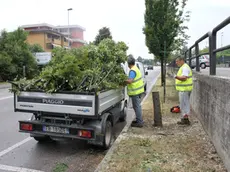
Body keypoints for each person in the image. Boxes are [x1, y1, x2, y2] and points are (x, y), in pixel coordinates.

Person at [125, 55, 145, 128]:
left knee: (136, 107)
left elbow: (130, 81)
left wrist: (122, 81)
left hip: (135, 92)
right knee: (137, 106)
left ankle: (139, 122)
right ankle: (139, 120)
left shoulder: (132, 70)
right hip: (138, 91)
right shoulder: (136, 68)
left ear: (128, 64)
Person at [173, 57, 193, 125]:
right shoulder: (183, 67)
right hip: (184, 89)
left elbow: (184, 78)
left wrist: (176, 76)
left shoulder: (184, 67)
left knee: (184, 104)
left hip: (184, 89)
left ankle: (185, 119)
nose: (176, 63)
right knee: (184, 104)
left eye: (177, 61)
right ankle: (185, 119)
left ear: (181, 60)